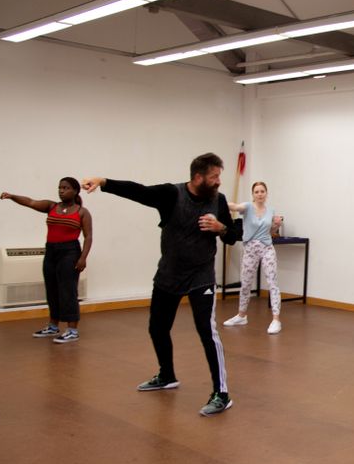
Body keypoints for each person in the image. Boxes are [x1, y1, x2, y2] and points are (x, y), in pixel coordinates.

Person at [81, 153, 241, 417]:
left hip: (201, 277)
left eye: (219, 176)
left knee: (206, 331)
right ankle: (167, 375)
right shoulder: (171, 195)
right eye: (214, 177)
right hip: (169, 274)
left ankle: (221, 393)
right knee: (157, 327)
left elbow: (234, 236)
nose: (218, 182)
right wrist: (103, 182)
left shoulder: (219, 200)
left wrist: (220, 227)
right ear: (198, 177)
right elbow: (139, 191)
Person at [0, 177, 92, 344]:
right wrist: (12, 196)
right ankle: (53, 326)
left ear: (75, 191)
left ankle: (72, 329)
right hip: (51, 251)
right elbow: (30, 202)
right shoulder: (52, 206)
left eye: (66, 188)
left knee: (68, 290)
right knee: (52, 289)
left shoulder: (82, 212)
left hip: (70, 252)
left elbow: (88, 236)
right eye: (60, 187)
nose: (61, 190)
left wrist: (83, 258)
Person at [222, 181, 284, 334]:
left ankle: (276, 319)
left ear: (266, 193)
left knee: (272, 282)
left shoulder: (271, 210)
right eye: (257, 192)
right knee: (246, 283)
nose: (260, 194)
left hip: (267, 247)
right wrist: (219, 200)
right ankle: (241, 315)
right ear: (253, 195)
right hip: (250, 248)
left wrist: (276, 225)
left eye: (262, 191)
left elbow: (271, 232)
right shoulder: (248, 207)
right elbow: (235, 207)